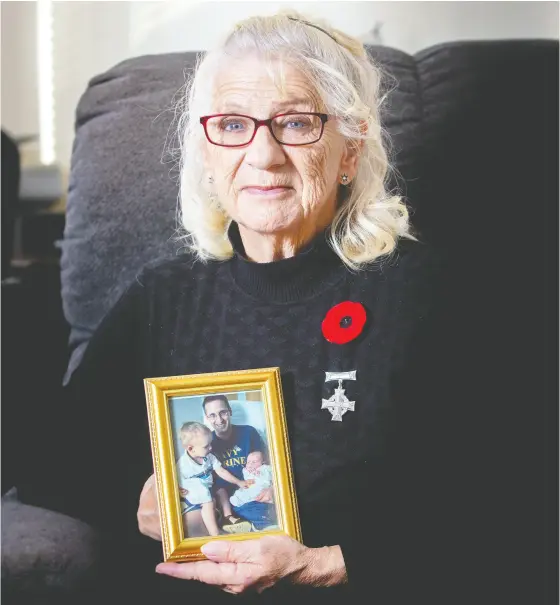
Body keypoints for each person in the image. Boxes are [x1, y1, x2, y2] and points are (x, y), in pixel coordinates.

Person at [46, 10, 452, 604]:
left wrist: (324, 564)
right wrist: (139, 502)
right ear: (208, 155)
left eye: (295, 123)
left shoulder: (426, 294)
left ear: (348, 150)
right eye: (233, 125)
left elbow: (505, 505)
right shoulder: (163, 296)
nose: (263, 155)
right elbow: (58, 460)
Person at [201, 394, 275, 533]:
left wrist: (273, 488)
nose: (219, 420)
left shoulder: (248, 432)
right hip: (226, 502)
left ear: (230, 411)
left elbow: (269, 464)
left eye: (223, 412)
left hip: (256, 492)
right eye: (212, 415)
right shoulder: (206, 443)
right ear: (207, 418)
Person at [176, 422, 250, 536]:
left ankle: (228, 517)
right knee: (209, 502)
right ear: (191, 448)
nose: (210, 448)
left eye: (210, 444)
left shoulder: (209, 457)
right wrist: (178, 488)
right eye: (206, 446)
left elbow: (221, 471)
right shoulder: (183, 465)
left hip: (207, 486)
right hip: (194, 490)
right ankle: (214, 532)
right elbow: (174, 479)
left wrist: (238, 482)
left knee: (221, 490)